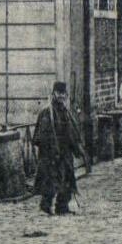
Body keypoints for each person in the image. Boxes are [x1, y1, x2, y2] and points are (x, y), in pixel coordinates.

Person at [34, 81, 83, 215]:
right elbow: (41, 136)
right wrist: (50, 151)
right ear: (53, 94)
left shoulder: (66, 112)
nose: (61, 96)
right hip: (51, 153)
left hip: (65, 151)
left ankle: (62, 206)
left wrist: (76, 147)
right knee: (50, 180)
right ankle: (45, 205)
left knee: (67, 179)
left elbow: (72, 131)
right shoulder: (46, 112)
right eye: (58, 93)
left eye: (63, 94)